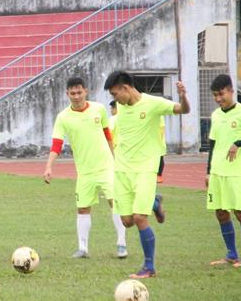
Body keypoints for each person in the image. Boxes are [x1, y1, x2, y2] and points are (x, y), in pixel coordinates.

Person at [104, 70, 189, 278]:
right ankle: (155, 203)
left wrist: (183, 96)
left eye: (115, 94)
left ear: (126, 88)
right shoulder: (122, 109)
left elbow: (183, 110)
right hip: (122, 170)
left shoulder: (153, 103)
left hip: (145, 169)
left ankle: (149, 267)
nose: (115, 100)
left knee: (140, 218)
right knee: (127, 221)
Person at [43, 77, 128, 259]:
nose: (76, 96)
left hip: (106, 167)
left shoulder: (98, 109)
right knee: (82, 208)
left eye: (79, 92)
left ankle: (121, 244)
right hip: (84, 172)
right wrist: (49, 167)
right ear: (67, 94)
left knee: (115, 203)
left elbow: (108, 135)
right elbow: (56, 144)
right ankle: (83, 248)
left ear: (86, 91)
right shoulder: (63, 117)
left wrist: (116, 160)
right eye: (72, 93)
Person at [205, 74, 241, 267]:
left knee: (240, 212)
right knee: (220, 212)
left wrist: (238, 143)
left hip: (237, 173)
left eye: (221, 94)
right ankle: (232, 254)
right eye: (215, 95)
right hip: (218, 172)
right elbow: (212, 144)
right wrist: (208, 171)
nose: (218, 99)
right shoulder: (216, 115)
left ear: (230, 91)